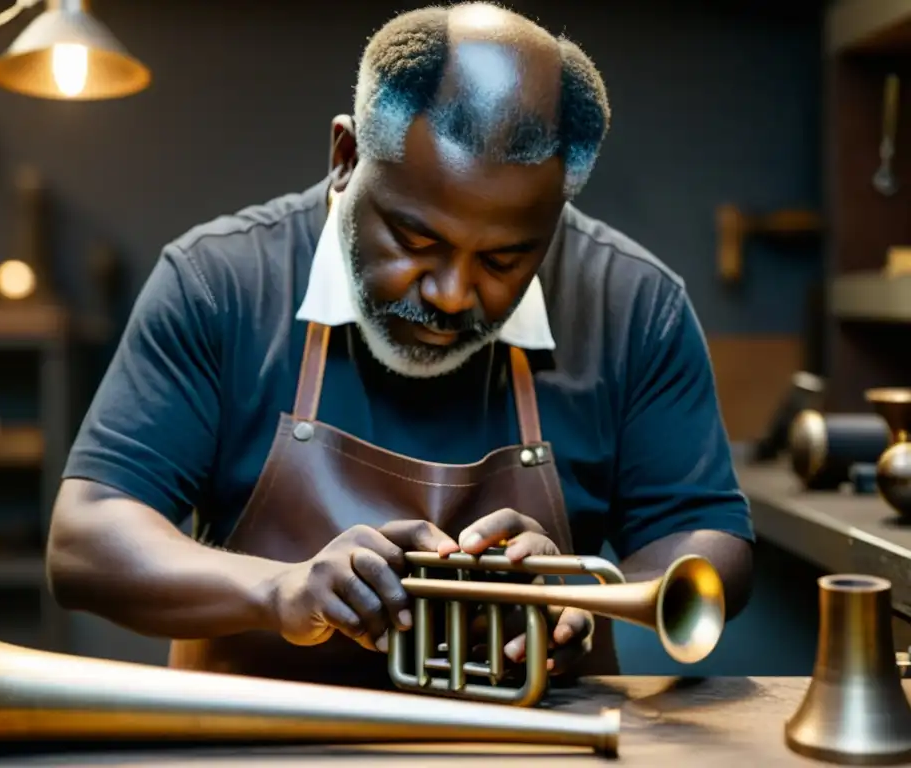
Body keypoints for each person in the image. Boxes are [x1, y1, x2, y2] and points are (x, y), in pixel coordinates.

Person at [46, 2, 754, 689]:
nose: (451, 292)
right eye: (417, 240)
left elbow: (707, 540)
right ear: (346, 157)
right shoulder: (217, 283)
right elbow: (86, 541)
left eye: (506, 260)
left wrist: (586, 597)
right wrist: (280, 590)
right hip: (257, 747)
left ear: (555, 214)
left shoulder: (636, 305)